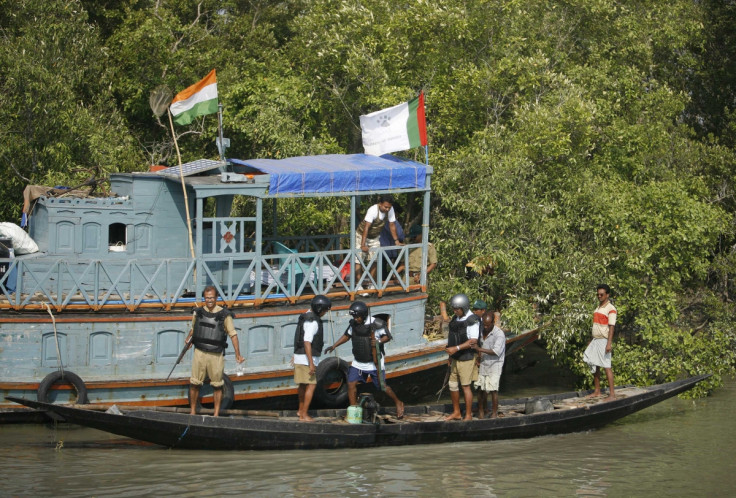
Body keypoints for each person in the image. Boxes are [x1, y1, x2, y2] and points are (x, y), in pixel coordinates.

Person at [325, 301, 405, 418]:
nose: (355, 318)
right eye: (354, 316)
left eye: (357, 316)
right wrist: (334, 346)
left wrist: (378, 341)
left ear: (363, 315)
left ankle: (398, 402)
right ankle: (354, 411)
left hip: (374, 362)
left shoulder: (376, 323)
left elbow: (387, 336)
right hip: (358, 362)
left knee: (382, 387)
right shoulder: (353, 324)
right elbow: (347, 335)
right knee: (351, 384)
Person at [186, 285, 244, 416]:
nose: (209, 300)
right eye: (207, 298)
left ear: (216, 298)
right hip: (199, 353)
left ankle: (216, 414)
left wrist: (238, 354)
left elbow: (233, 334)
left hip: (215, 354)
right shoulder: (198, 312)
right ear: (204, 298)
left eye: (212, 298)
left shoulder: (224, 315)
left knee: (217, 385)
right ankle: (192, 412)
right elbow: (193, 328)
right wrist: (188, 339)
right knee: (194, 383)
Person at [293, 294, 332, 421]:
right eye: (325, 310)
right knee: (311, 386)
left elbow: (299, 338)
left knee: (302, 385)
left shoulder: (306, 315)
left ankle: (300, 411)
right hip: (306, 359)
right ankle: (304, 415)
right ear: (320, 309)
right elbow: (307, 342)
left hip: (299, 356)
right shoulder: (313, 322)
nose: (326, 313)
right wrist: (311, 363)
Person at [443, 293, 480, 421]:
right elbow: (453, 336)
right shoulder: (455, 318)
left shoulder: (472, 320)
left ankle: (468, 415)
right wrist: (450, 354)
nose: (454, 311)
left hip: (466, 357)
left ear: (463, 308)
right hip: (455, 357)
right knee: (452, 385)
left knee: (465, 386)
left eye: (456, 309)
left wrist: (457, 348)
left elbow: (473, 341)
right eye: (453, 309)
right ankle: (456, 412)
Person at [355, 194, 403, 290]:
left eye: (389, 207)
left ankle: (371, 283)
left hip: (375, 237)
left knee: (375, 259)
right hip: (361, 235)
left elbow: (392, 225)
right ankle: (358, 284)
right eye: (385, 207)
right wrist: (363, 245)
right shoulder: (372, 210)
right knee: (359, 259)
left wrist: (396, 241)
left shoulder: (390, 210)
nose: (387, 209)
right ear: (380, 204)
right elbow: (366, 227)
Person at [584, 284, 617, 401]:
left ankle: (612, 394)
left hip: (604, 340)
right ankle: (597, 391)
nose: (599, 296)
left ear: (607, 295)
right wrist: (591, 340)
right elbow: (595, 326)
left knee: (607, 366)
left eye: (601, 294)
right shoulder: (598, 308)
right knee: (595, 364)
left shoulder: (611, 308)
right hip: (596, 340)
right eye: (598, 294)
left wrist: (609, 343)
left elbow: (611, 327)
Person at [472, 311, 505, 418]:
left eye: (487, 325)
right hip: (483, 363)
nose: (485, 327)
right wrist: (478, 355)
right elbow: (480, 344)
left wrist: (479, 349)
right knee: (480, 388)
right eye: (484, 325)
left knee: (493, 390)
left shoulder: (499, 334)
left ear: (493, 323)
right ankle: (482, 411)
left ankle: (494, 413)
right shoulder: (481, 331)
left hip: (495, 364)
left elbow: (496, 351)